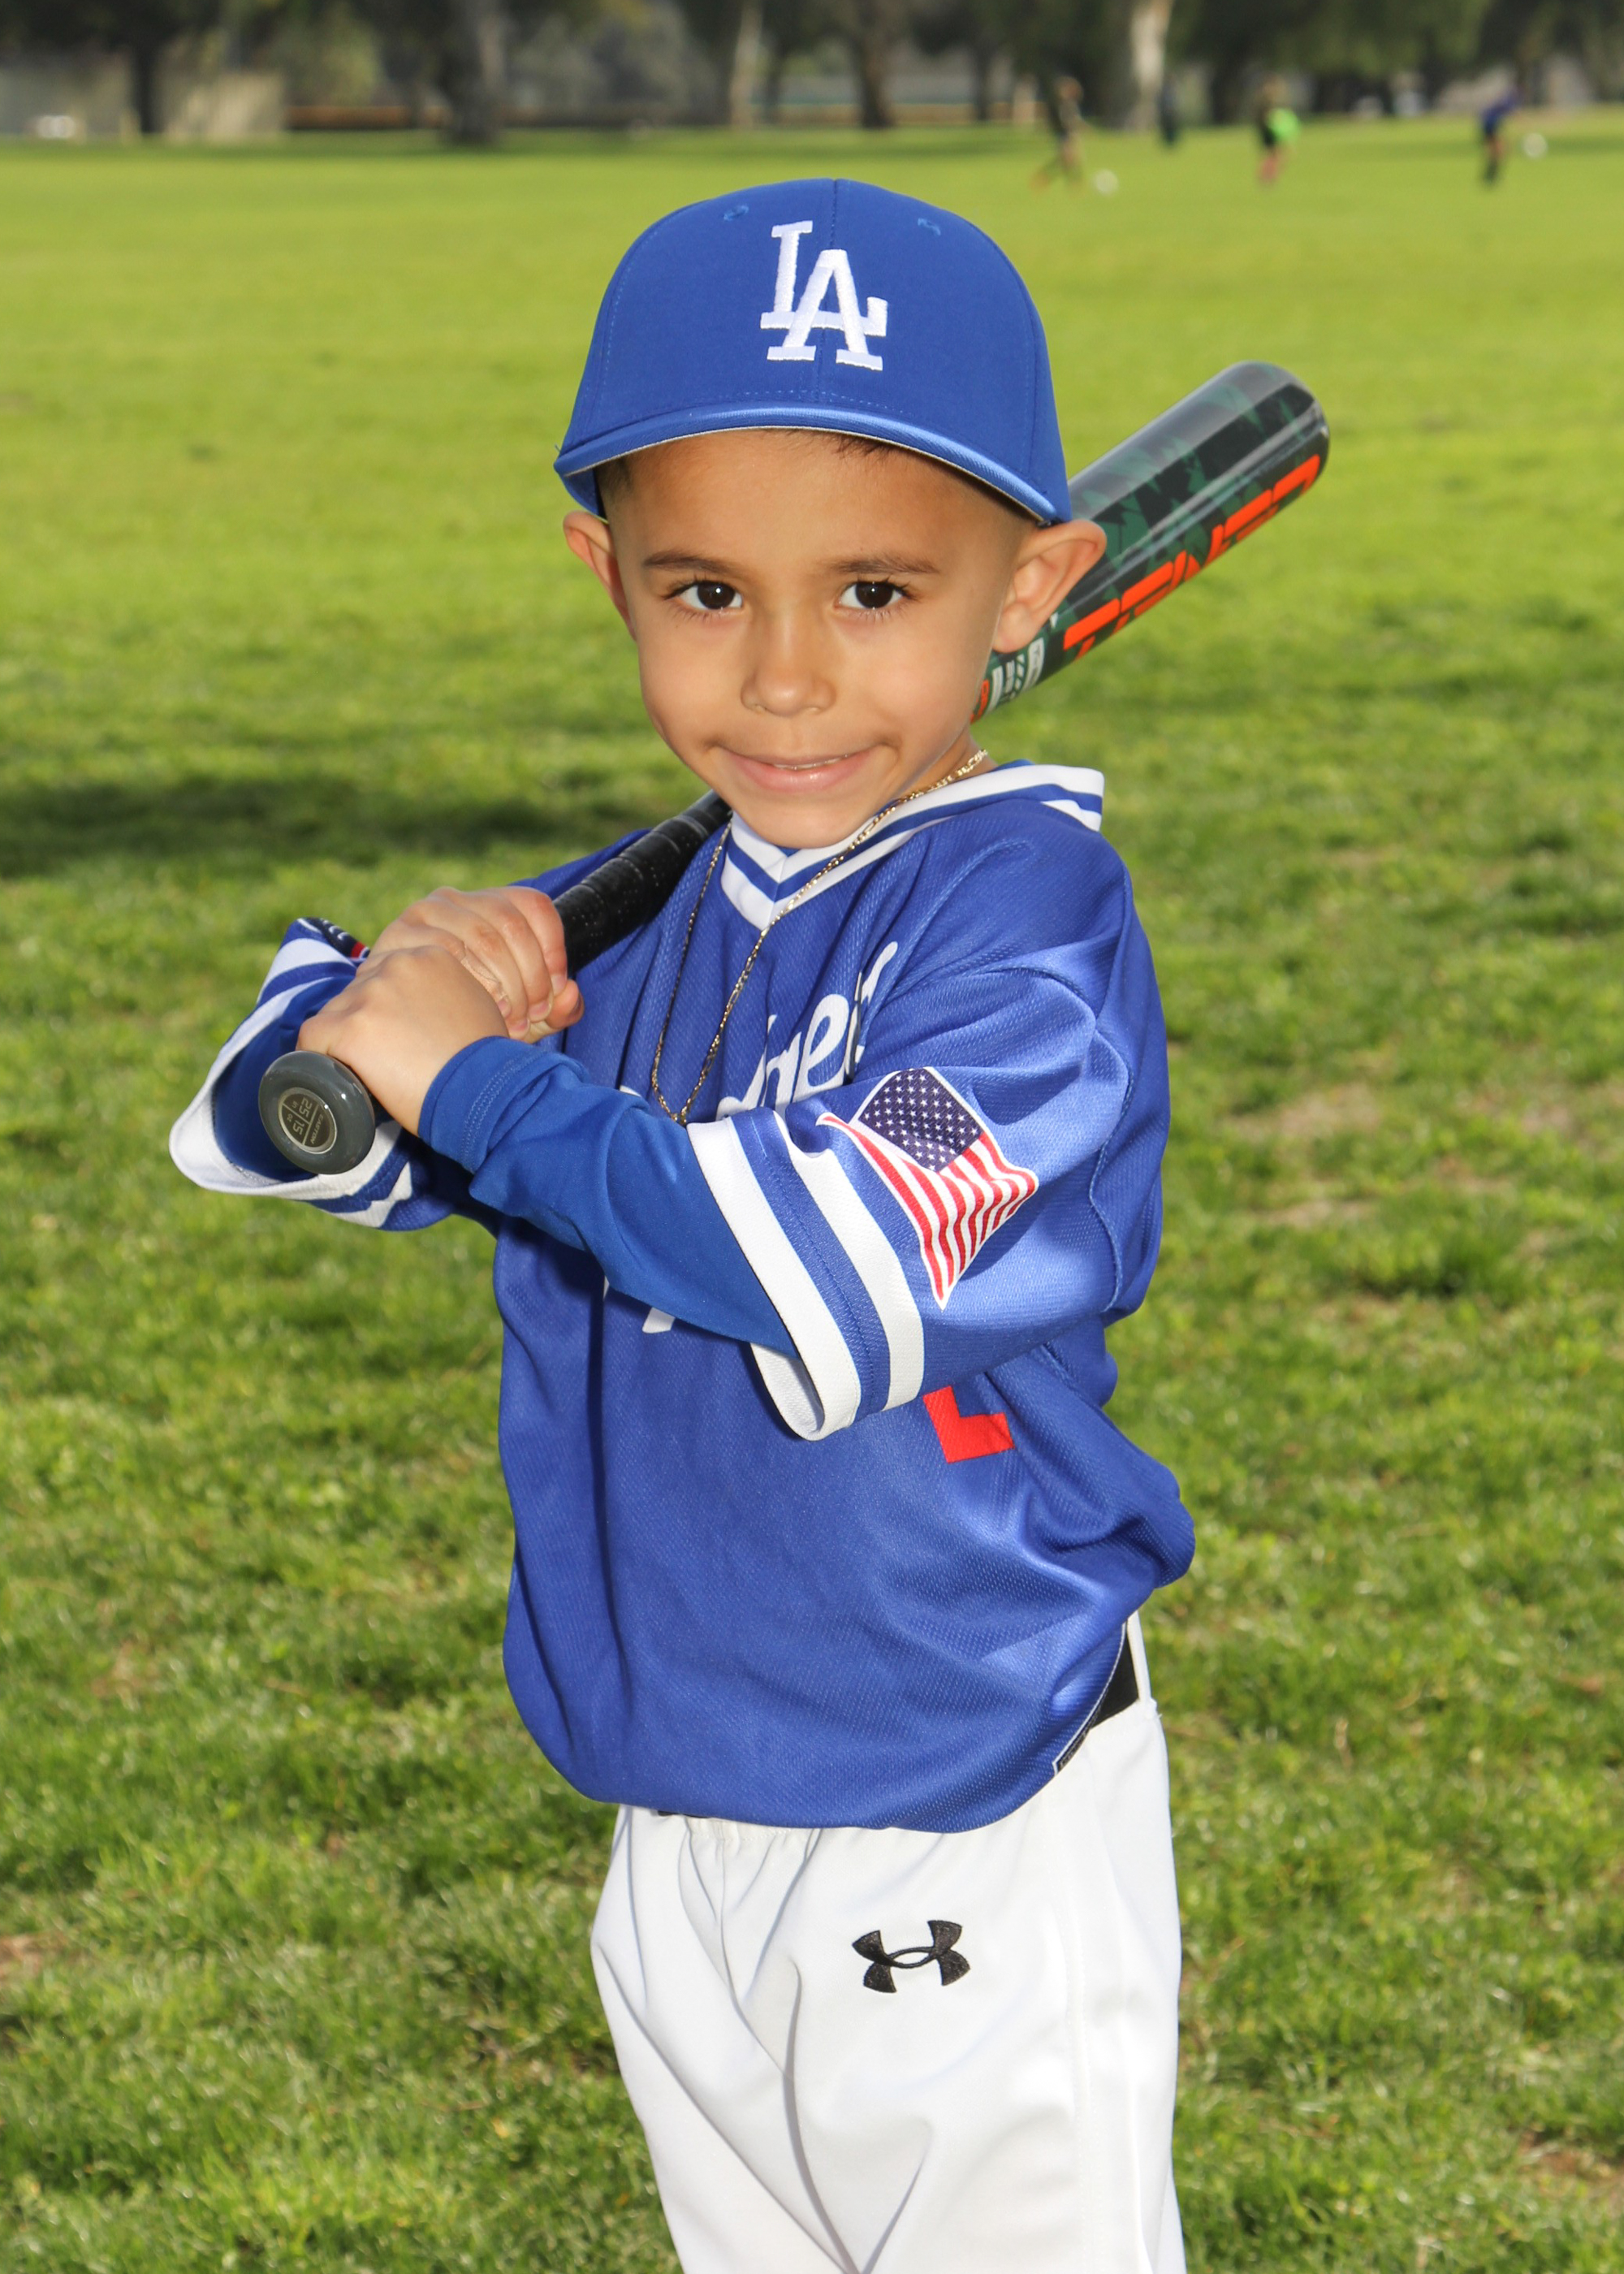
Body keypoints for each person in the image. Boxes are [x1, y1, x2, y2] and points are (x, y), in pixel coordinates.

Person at [172, 179, 1192, 2274]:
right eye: (707, 592)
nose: (788, 677)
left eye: (877, 590)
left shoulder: (1027, 944)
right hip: (680, 1803)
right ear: (608, 576)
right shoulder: (639, 930)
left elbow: (810, 1249)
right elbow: (263, 1138)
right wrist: (414, 988)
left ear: (1032, 584)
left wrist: (477, 1078)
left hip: (956, 1795)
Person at [1032, 74, 1085, 189]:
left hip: (1071, 135)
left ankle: (1072, 182)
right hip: (1066, 136)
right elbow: (1067, 121)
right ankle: (1046, 176)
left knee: (1070, 161)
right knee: (1067, 160)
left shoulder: (1069, 104)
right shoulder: (1065, 105)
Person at [1255, 77, 1299, 185]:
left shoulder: (1266, 101)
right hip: (1270, 131)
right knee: (1275, 154)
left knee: (1274, 155)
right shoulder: (1266, 102)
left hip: (1269, 130)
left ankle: (1268, 175)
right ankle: (1268, 176)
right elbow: (1268, 118)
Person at [1480, 87, 1519, 184]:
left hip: (1489, 127)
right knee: (1498, 152)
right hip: (1490, 127)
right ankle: (1491, 176)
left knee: (1497, 153)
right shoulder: (1506, 104)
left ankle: (1491, 176)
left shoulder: (1502, 104)